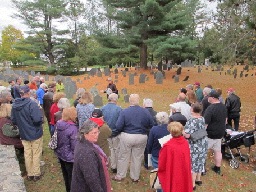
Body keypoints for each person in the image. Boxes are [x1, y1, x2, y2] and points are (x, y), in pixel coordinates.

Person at [112, 94, 154, 182]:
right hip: (141, 136)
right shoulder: (145, 111)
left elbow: (118, 126)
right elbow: (151, 124)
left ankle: (120, 175)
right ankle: (135, 177)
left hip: (127, 135)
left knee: (123, 156)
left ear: (129, 101)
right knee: (137, 157)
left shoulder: (125, 111)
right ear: (138, 101)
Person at [11, 85, 44, 182]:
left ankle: (30, 174)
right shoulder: (32, 104)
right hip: (35, 132)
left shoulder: (15, 105)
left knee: (28, 153)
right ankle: (36, 174)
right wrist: (40, 121)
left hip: (24, 133)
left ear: (20, 94)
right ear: (28, 93)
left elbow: (13, 120)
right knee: (36, 153)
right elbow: (37, 119)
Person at [71, 119, 111, 192]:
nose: (97, 135)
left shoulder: (83, 143)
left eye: (98, 132)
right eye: (94, 133)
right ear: (85, 134)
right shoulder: (86, 153)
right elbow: (92, 179)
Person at [158, 122, 193, 192]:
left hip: (173, 172)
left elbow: (162, 163)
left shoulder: (168, 146)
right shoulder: (185, 142)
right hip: (183, 171)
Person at [184, 102, 208, 190]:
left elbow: (187, 135)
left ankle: (192, 183)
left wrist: (182, 131)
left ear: (193, 110)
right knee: (200, 160)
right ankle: (198, 179)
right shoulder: (202, 118)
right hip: (203, 142)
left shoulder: (191, 120)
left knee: (193, 163)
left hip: (195, 144)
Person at [55, 107, 78, 192]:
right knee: (73, 179)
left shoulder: (59, 123)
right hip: (70, 157)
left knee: (66, 176)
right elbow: (75, 146)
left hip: (61, 154)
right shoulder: (73, 129)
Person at [204, 89, 227, 175]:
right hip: (220, 133)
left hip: (210, 134)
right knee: (218, 151)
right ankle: (217, 168)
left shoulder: (210, 108)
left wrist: (201, 134)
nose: (207, 98)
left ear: (213, 98)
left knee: (203, 151)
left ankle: (202, 169)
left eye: (208, 97)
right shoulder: (223, 106)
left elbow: (205, 124)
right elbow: (226, 120)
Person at [100, 93, 122, 173]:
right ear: (115, 100)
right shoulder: (119, 109)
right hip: (115, 132)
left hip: (106, 132)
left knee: (109, 149)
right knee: (116, 149)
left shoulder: (102, 108)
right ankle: (115, 166)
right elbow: (120, 122)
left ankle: (110, 165)